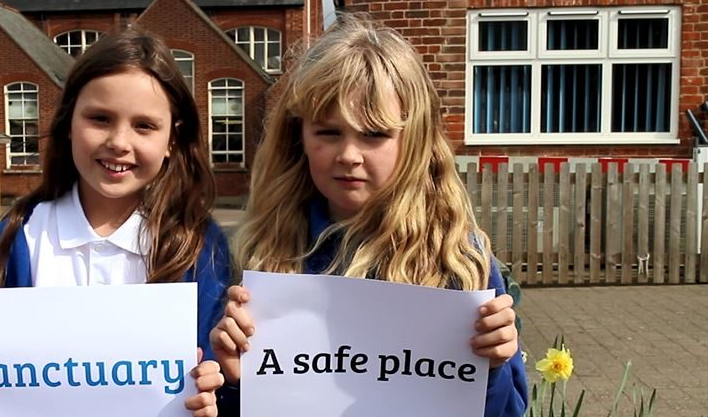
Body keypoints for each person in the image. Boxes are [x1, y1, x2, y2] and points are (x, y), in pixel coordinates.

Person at [210, 14, 528, 417]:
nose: (348, 155)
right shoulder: (261, 254)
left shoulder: (458, 258)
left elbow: (505, 412)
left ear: (414, 139)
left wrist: (492, 368)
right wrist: (237, 382)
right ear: (298, 136)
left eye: (374, 134)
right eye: (328, 132)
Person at [0, 28, 229, 417]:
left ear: (173, 139)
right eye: (100, 119)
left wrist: (217, 391)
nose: (119, 141)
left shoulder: (199, 245)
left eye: (144, 126)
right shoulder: (23, 234)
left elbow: (222, 377)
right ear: (69, 122)